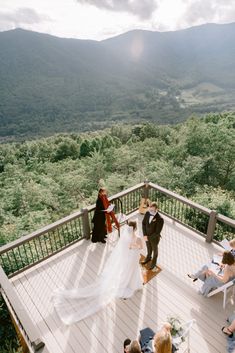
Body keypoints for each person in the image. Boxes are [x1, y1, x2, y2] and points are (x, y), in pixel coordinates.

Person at [53, 220, 143, 324]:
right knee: (132, 271)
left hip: (127, 259)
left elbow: (124, 249)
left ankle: (127, 282)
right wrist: (134, 247)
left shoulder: (125, 237)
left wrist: (131, 247)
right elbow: (140, 247)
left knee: (127, 271)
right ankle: (131, 284)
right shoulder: (138, 238)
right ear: (135, 228)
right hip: (132, 258)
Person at [141, 202, 164, 271]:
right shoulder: (148, 213)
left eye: (152, 210)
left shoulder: (160, 219)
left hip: (154, 238)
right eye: (150, 209)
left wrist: (148, 237)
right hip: (146, 235)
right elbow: (143, 223)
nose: (150, 211)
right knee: (148, 247)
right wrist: (144, 235)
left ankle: (154, 263)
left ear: (156, 209)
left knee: (155, 250)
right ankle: (148, 257)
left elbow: (157, 232)